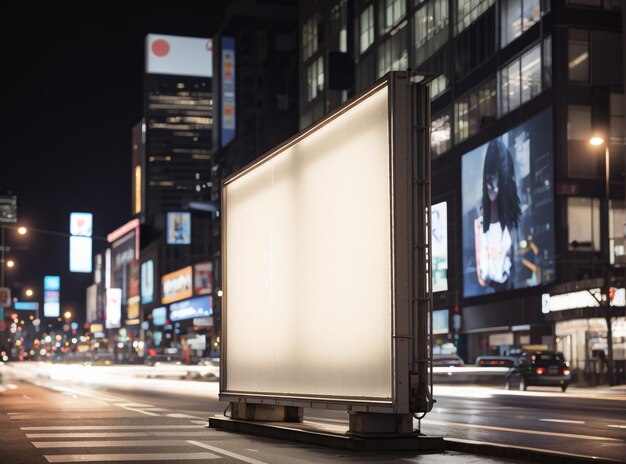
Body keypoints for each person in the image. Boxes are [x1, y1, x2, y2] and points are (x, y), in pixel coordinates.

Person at [474, 139, 521, 290]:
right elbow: (480, 271)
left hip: (505, 285)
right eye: (489, 178)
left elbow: (512, 259)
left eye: (495, 179)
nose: (492, 186)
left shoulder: (510, 223)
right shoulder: (479, 223)